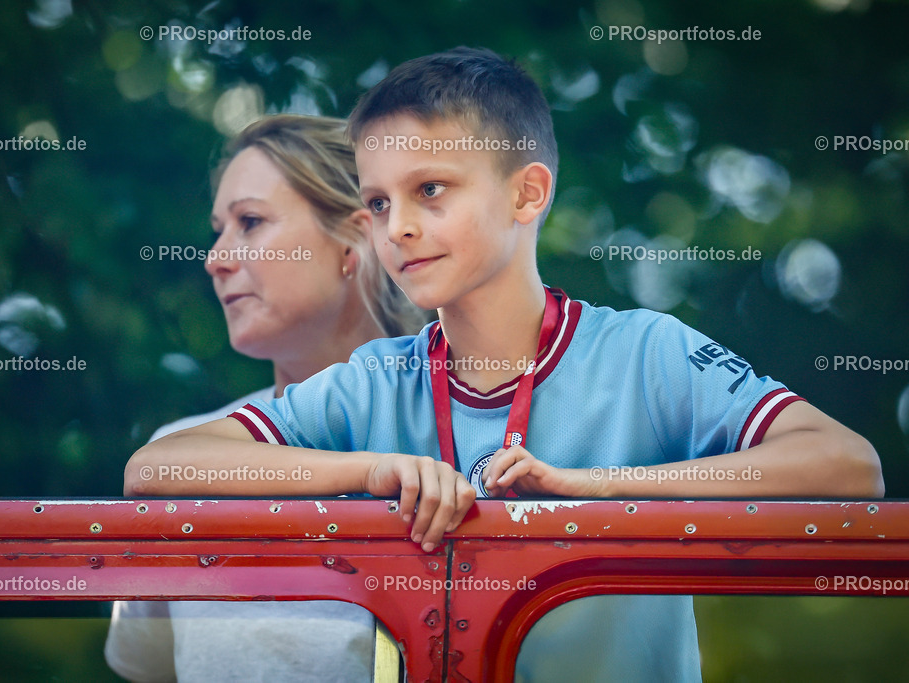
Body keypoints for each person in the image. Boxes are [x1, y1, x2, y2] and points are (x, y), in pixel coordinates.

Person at [124, 48, 884, 680]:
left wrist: (608, 488)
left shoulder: (647, 351)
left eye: (430, 191)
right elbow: (155, 470)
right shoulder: (373, 380)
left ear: (528, 194)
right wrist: (370, 469)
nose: (401, 228)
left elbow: (849, 466)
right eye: (381, 204)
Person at [105, 114, 424, 682]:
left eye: (250, 222)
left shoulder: (472, 436)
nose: (216, 257)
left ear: (354, 243)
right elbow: (151, 668)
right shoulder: (178, 461)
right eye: (218, 229)